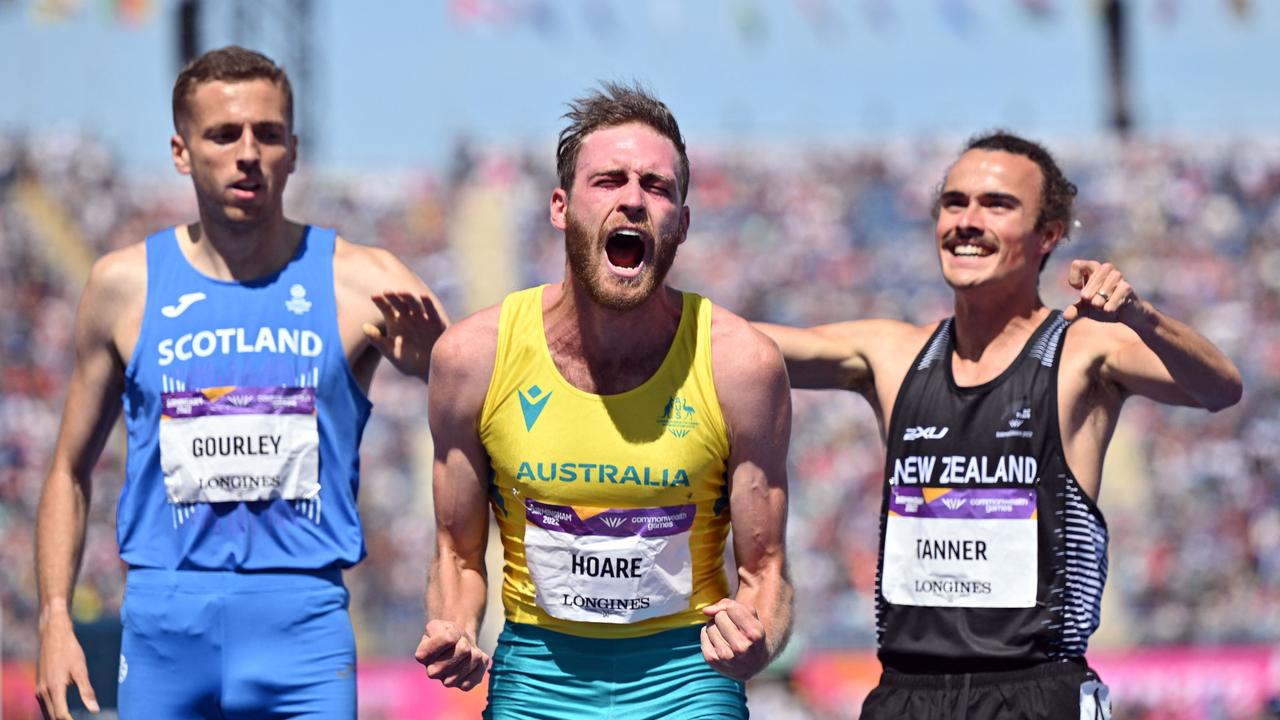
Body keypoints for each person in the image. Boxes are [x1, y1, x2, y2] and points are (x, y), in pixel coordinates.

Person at [756, 131, 1242, 719]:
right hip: (907, 693)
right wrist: (632, 288)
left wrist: (1142, 318)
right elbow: (740, 347)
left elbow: (1219, 387)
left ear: (1049, 235)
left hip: (1035, 692)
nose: (968, 220)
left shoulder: (1085, 353)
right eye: (955, 203)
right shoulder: (892, 355)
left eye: (997, 205)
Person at [34, 46, 448, 719]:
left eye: (268, 133)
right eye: (224, 134)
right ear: (180, 151)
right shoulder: (122, 286)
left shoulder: (363, 281)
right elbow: (67, 471)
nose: (248, 152)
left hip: (304, 625)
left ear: (293, 149)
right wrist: (54, 618)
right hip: (166, 623)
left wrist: (441, 365)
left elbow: (478, 410)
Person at [415, 82, 793, 719]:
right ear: (561, 207)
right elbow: (456, 553)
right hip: (536, 677)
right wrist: (452, 627)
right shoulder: (472, 358)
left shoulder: (741, 364)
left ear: (684, 220)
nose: (633, 200)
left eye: (656, 186)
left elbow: (768, 572)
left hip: (688, 677)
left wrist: (758, 643)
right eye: (609, 180)